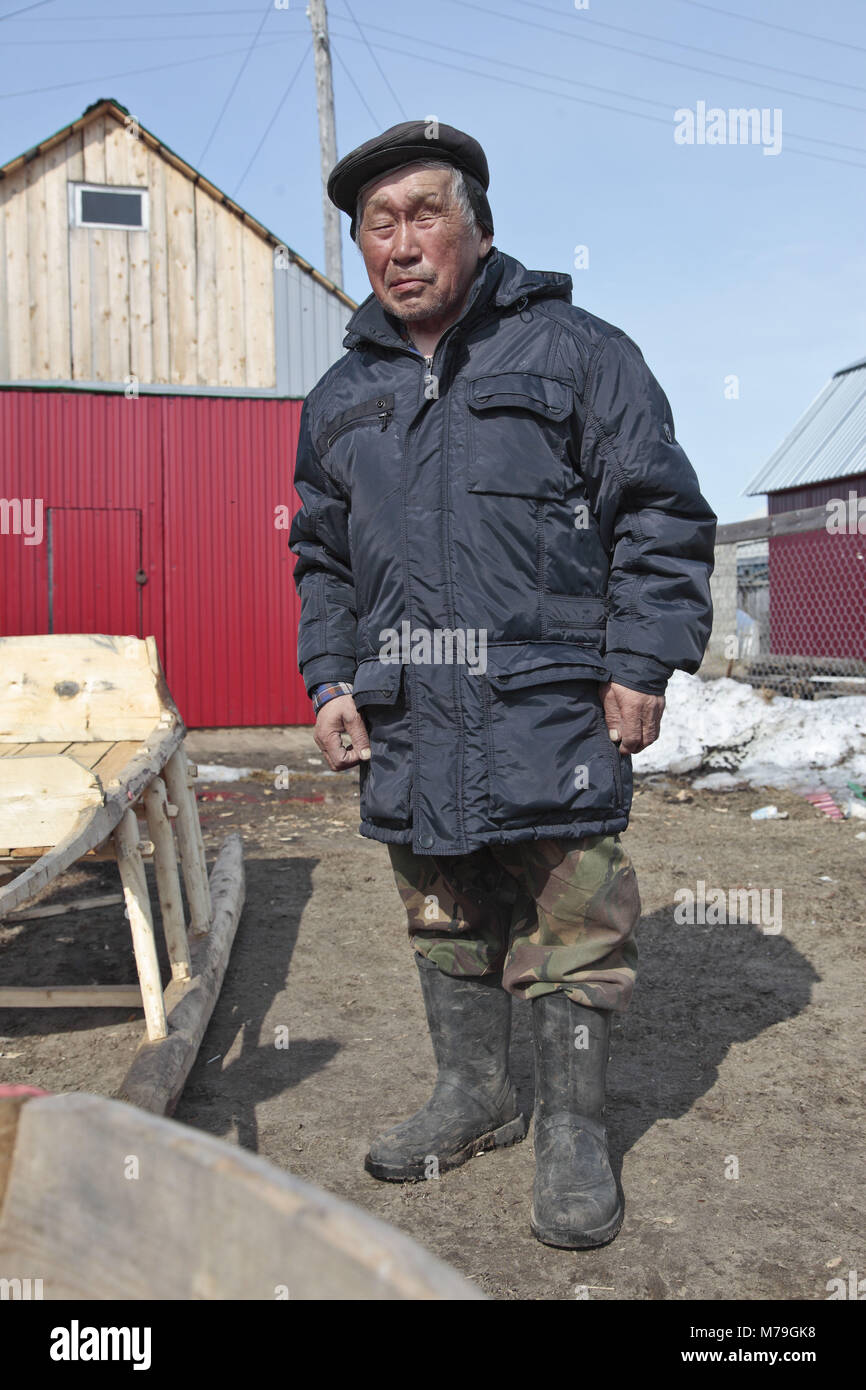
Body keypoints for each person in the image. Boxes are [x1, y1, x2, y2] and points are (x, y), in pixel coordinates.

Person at [289, 120, 716, 1249]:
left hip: (549, 704)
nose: (401, 241)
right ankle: (475, 1090)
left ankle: (572, 1131)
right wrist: (330, 676)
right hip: (405, 714)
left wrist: (640, 658)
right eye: (376, 224)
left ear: (478, 227)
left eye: (424, 212)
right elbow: (322, 559)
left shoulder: (576, 351)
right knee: (443, 917)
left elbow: (659, 514)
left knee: (572, 919)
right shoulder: (339, 394)